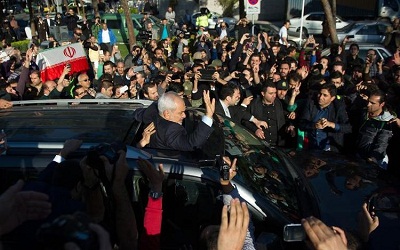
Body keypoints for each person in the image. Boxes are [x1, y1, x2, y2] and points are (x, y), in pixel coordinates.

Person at [133, 91, 215, 151]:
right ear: (167, 114)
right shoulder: (171, 129)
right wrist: (208, 116)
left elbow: (138, 113)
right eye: (181, 113)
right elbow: (192, 144)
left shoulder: (151, 113)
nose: (184, 115)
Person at [299, 83, 352, 152]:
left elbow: (348, 128)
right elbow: (302, 124)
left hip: (329, 149)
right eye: (320, 94)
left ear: (332, 98)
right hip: (311, 147)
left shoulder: (338, 107)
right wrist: (314, 125)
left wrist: (332, 125)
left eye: (325, 95)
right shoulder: (311, 104)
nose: (320, 97)